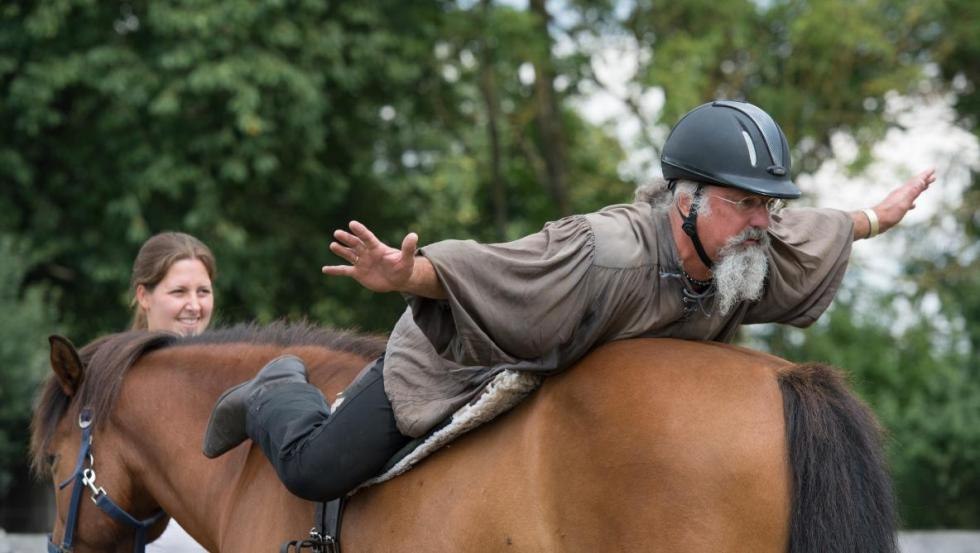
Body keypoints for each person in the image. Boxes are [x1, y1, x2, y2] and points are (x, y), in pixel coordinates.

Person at [201, 100, 935, 503]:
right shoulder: (603, 253)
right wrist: (409, 276)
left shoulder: (745, 248)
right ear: (685, 201)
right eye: (744, 202)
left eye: (768, 206)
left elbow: (817, 228)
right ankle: (278, 388)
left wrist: (875, 217)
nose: (760, 223)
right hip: (464, 355)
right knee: (315, 470)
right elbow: (492, 273)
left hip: (555, 381)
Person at [129, 231, 215, 552]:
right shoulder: (118, 385)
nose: (194, 305)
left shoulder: (230, 380)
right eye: (179, 291)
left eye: (203, 291)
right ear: (144, 296)